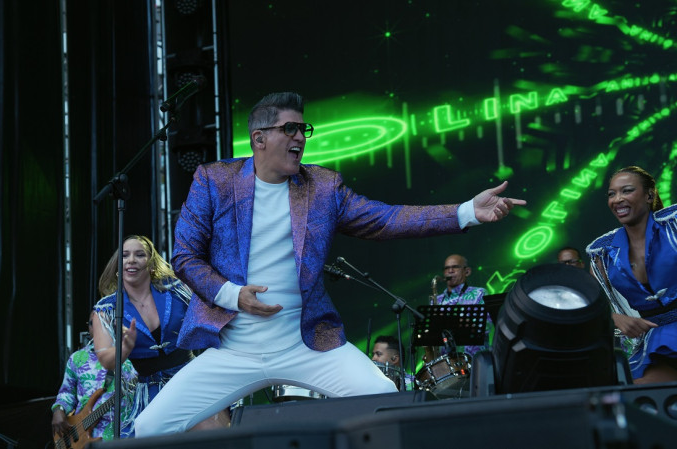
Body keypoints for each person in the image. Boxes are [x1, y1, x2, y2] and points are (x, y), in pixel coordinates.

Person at [134, 92, 525, 436]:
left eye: (304, 130)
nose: (300, 138)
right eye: (290, 129)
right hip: (233, 348)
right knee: (150, 428)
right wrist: (233, 295)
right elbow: (184, 254)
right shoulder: (214, 180)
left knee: (386, 401)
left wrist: (465, 212)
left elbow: (386, 219)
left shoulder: (323, 187)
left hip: (307, 344)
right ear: (259, 138)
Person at [92, 235, 230, 435]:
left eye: (140, 255)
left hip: (188, 378)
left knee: (214, 434)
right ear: (117, 266)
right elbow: (106, 359)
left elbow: (211, 317)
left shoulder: (178, 291)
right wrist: (123, 349)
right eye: (125, 256)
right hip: (148, 392)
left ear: (151, 265)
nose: (131, 260)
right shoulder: (106, 309)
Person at [586, 166, 677, 384]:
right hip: (656, 339)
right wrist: (614, 317)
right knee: (643, 402)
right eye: (611, 193)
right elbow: (591, 305)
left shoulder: (673, 224)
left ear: (649, 195)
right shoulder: (602, 253)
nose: (617, 199)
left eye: (626, 191)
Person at [51, 311, 138, 441]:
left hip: (123, 435)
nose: (98, 328)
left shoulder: (132, 357)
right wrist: (59, 409)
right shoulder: (77, 358)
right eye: (94, 323)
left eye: (104, 323)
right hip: (82, 437)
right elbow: (67, 393)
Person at [429, 254, 493, 359]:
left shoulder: (479, 293)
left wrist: (451, 319)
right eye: (446, 268)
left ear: (467, 271)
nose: (450, 271)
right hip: (446, 365)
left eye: (455, 267)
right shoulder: (437, 300)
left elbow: (486, 327)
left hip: (475, 362)